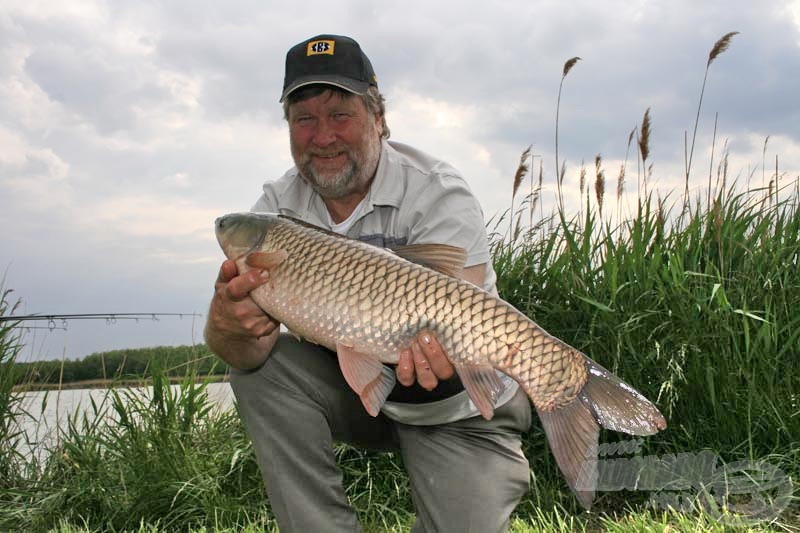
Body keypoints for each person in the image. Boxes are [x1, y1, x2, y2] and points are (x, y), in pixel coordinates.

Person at [205, 34, 532, 533]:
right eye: (304, 119)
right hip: (360, 390)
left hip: (458, 406)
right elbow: (240, 352)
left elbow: (469, 329)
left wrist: (442, 350)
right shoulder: (274, 211)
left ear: (378, 118)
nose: (322, 136)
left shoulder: (437, 193)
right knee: (260, 371)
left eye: (340, 114)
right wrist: (228, 323)